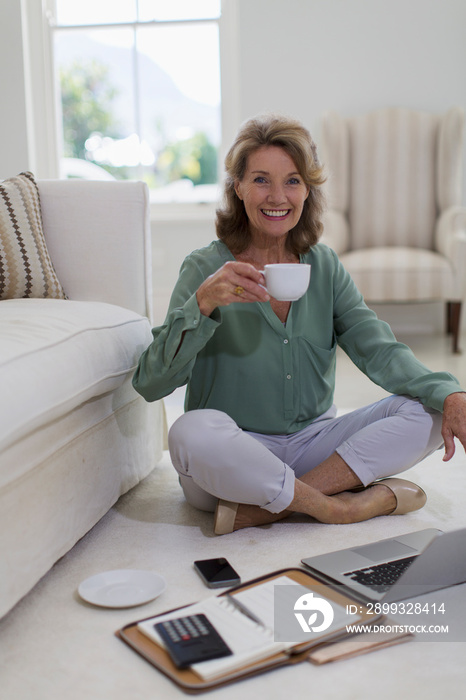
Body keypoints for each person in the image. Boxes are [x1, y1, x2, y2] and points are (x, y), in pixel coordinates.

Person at [133, 113, 466, 535]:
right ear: (237, 187)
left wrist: (450, 392)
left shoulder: (323, 265)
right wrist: (202, 305)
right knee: (188, 432)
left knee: (431, 410)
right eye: (260, 180)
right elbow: (150, 384)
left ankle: (271, 507)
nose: (278, 196)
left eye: (292, 180)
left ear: (307, 189)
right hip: (236, 458)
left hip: (313, 446)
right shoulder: (205, 269)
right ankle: (337, 508)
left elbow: (378, 349)